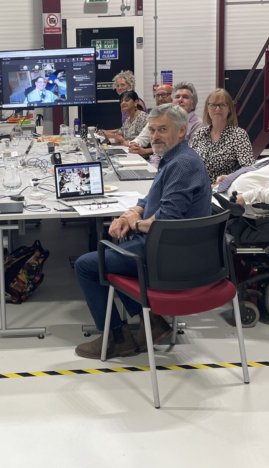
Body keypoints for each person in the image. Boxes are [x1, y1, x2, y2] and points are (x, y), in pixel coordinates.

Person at [74, 104, 212, 359]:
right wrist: (133, 213)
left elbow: (165, 220)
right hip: (169, 246)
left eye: (163, 129)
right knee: (117, 248)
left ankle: (117, 338)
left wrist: (134, 224)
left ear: (182, 131)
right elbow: (153, 198)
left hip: (169, 255)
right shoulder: (175, 158)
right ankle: (153, 323)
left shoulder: (181, 165)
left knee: (86, 265)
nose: (156, 135)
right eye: (152, 130)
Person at [190, 88, 255, 184]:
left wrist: (227, 179)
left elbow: (248, 168)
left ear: (229, 109)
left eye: (222, 105)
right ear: (207, 108)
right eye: (213, 105)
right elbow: (190, 163)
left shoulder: (239, 135)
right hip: (198, 189)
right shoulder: (199, 133)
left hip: (225, 190)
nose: (217, 109)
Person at [130, 82, 203, 166]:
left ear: (193, 104)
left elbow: (190, 154)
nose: (180, 100)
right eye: (177, 97)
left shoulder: (197, 124)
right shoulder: (167, 119)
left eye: (185, 97)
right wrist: (154, 169)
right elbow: (158, 153)